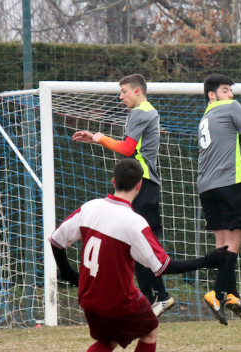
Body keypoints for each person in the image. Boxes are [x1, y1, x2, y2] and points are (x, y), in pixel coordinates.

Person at [49, 159, 229, 352]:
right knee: (150, 329)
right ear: (140, 186)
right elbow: (162, 266)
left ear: (113, 182)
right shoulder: (134, 223)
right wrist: (206, 260)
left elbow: (56, 241)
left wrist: (70, 275)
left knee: (107, 339)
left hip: (88, 295)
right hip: (118, 298)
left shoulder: (90, 208)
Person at [72, 74, 175, 318]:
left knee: (143, 243)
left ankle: (161, 296)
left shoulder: (141, 112)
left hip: (143, 185)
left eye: (124, 91)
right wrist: (97, 140)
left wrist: (101, 138)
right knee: (133, 243)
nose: (121, 97)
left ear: (137, 91)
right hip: (142, 185)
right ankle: (150, 300)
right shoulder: (145, 111)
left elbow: (128, 148)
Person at [197, 74, 241, 325]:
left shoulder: (205, 117)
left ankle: (232, 296)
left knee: (221, 244)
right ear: (212, 94)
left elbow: (234, 146)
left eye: (230, 90)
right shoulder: (232, 107)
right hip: (229, 182)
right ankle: (217, 294)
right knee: (235, 239)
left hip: (206, 186)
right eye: (224, 90)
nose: (230, 94)